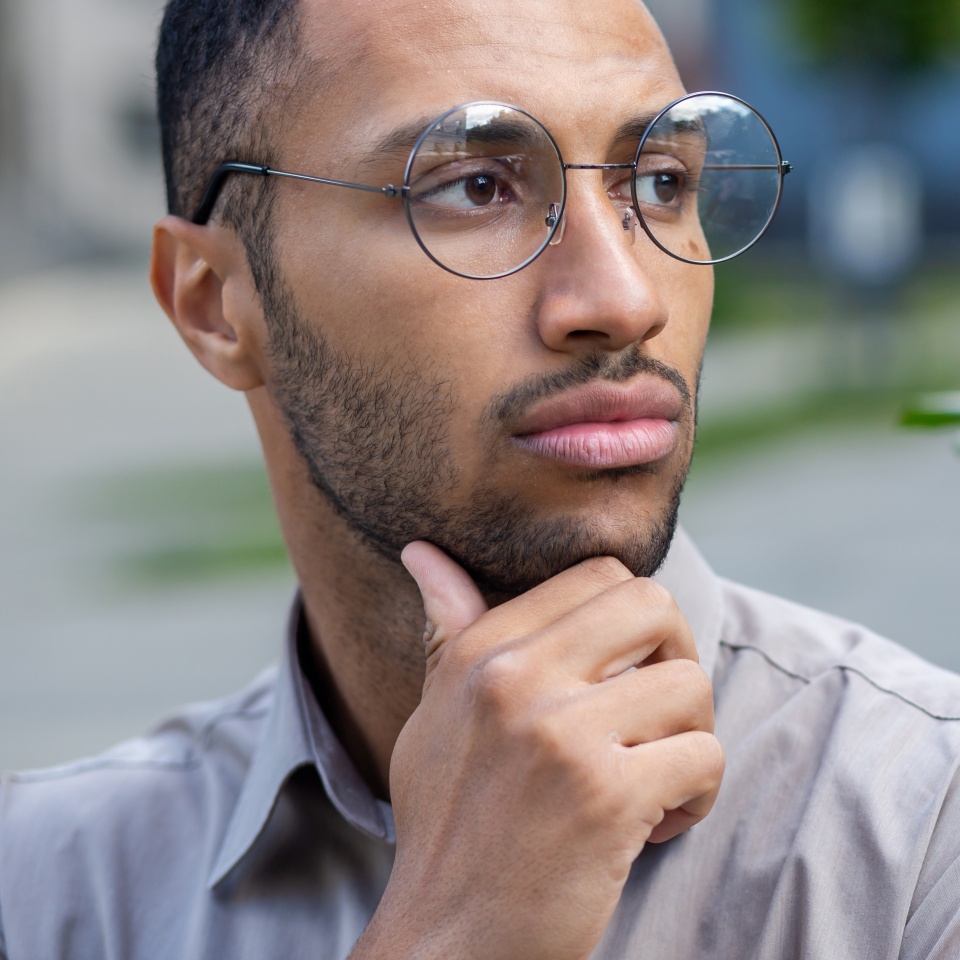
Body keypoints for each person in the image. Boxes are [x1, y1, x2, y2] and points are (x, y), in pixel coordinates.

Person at [1, 0, 959, 957]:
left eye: (662, 181)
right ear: (215, 304)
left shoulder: (920, 831)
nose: (624, 300)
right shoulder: (46, 890)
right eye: (471, 186)